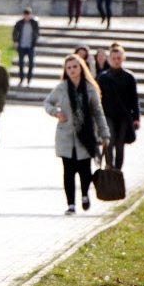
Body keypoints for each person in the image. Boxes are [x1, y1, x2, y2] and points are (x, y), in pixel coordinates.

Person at [44, 54, 110, 215]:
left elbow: (98, 112)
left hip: (86, 135)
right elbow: (47, 102)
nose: (72, 70)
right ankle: (71, 204)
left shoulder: (89, 88)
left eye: (75, 66)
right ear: (65, 70)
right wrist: (56, 112)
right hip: (65, 135)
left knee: (84, 170)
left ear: (81, 67)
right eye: (69, 68)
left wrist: (104, 134)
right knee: (68, 170)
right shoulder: (62, 87)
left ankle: (85, 195)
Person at [97, 47, 140, 170]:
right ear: (109, 59)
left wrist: (136, 118)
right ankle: (109, 167)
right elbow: (98, 99)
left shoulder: (129, 77)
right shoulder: (103, 77)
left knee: (120, 145)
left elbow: (134, 99)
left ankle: (118, 171)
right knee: (109, 142)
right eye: (114, 58)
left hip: (124, 116)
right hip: (108, 115)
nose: (116, 61)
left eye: (119, 58)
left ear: (123, 58)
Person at [12, 7, 40, 87]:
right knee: (21, 63)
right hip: (21, 46)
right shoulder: (19, 23)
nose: (27, 17)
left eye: (28, 15)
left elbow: (37, 33)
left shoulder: (34, 23)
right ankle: (21, 78)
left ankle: (29, 79)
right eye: (25, 15)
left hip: (30, 46)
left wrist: (35, 41)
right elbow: (14, 32)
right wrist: (15, 41)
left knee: (31, 63)